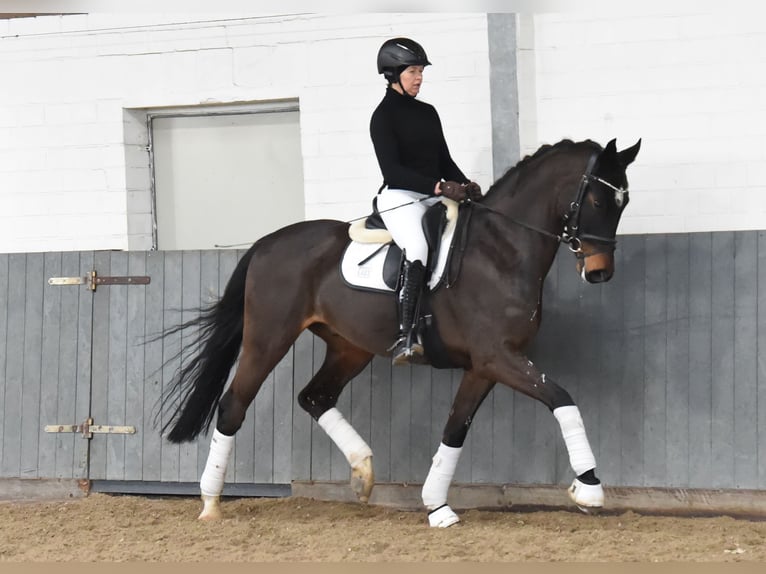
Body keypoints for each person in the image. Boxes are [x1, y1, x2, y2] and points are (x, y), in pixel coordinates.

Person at [370, 37, 481, 365]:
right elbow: (393, 170)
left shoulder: (428, 113)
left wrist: (465, 184)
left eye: (420, 71)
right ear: (392, 75)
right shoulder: (382, 117)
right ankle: (406, 333)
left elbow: (444, 159)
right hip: (400, 197)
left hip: (433, 194)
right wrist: (438, 187)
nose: (419, 77)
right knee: (417, 247)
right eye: (412, 71)